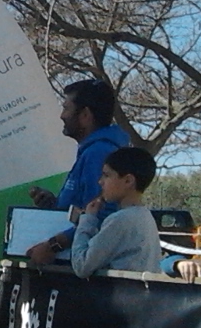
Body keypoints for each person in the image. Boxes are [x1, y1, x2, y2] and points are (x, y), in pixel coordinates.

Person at [26, 79, 130, 264]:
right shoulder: (91, 151)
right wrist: (55, 206)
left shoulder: (98, 153)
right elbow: (83, 211)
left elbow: (100, 217)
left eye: (66, 108)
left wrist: (53, 246)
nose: (62, 116)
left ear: (85, 115)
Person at [68, 146, 162, 277]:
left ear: (128, 180)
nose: (100, 182)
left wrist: (87, 219)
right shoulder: (145, 216)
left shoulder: (120, 220)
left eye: (107, 175)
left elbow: (82, 265)